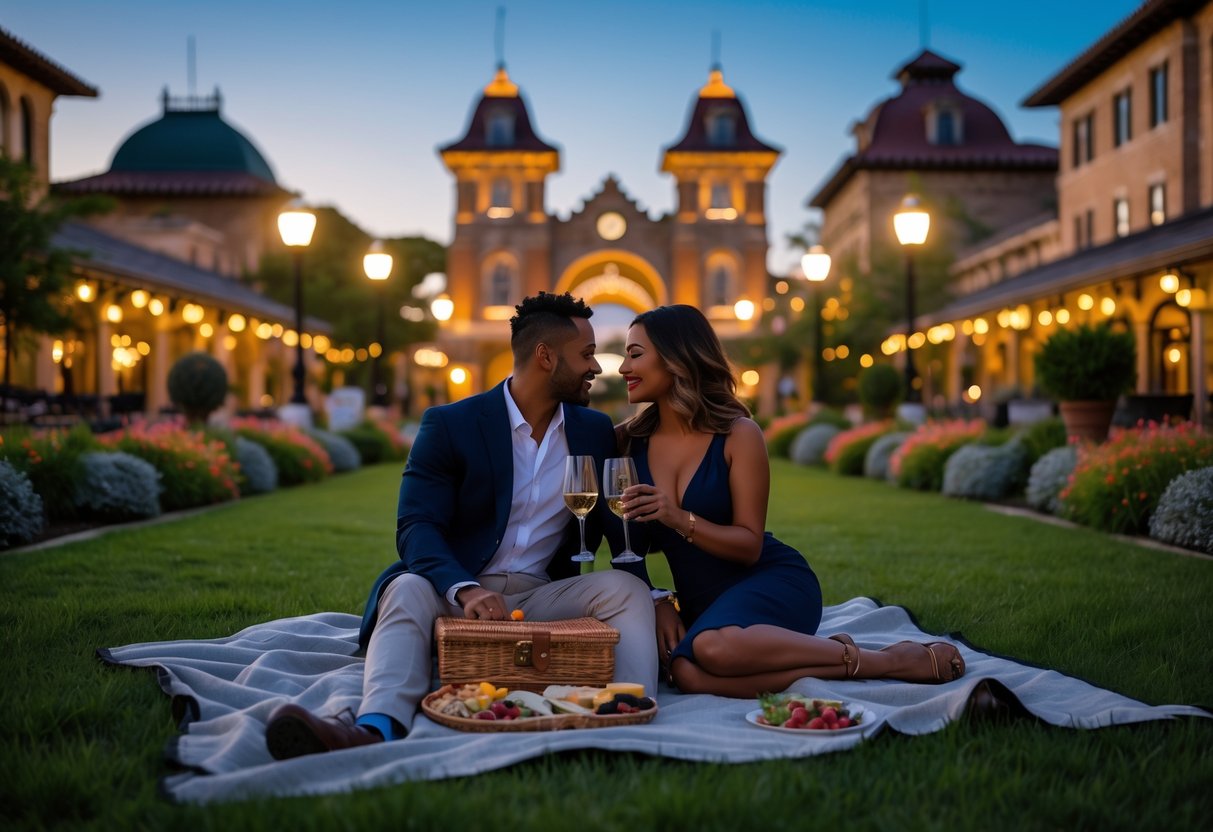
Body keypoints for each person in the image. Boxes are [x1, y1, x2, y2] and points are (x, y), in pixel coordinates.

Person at [265, 292, 659, 758]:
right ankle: (374, 727)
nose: (597, 367)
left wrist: (658, 597)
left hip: (542, 594)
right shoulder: (451, 424)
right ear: (545, 356)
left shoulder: (593, 430)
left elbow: (620, 532)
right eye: (587, 355)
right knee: (408, 586)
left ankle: (627, 718)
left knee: (625, 591)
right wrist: (464, 588)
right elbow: (416, 525)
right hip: (454, 594)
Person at [615, 305, 965, 699]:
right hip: (703, 606)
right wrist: (657, 599)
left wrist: (678, 518)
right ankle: (831, 662)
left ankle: (888, 661)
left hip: (770, 582)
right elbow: (621, 547)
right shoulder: (626, 444)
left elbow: (749, 546)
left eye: (636, 354)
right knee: (687, 673)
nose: (623, 367)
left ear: (676, 357)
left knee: (711, 649)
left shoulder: (738, 434)